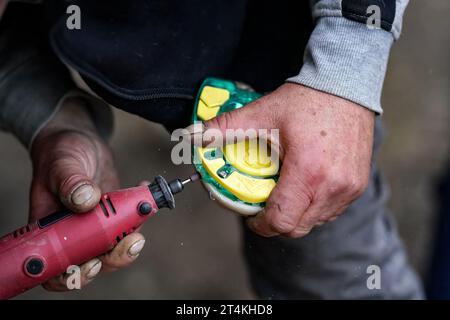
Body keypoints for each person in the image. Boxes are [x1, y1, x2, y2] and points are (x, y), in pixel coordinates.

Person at [0, 0, 423, 298]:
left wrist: (342, 77)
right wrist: (54, 121)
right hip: (147, 54)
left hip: (290, 54)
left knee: (332, 271)